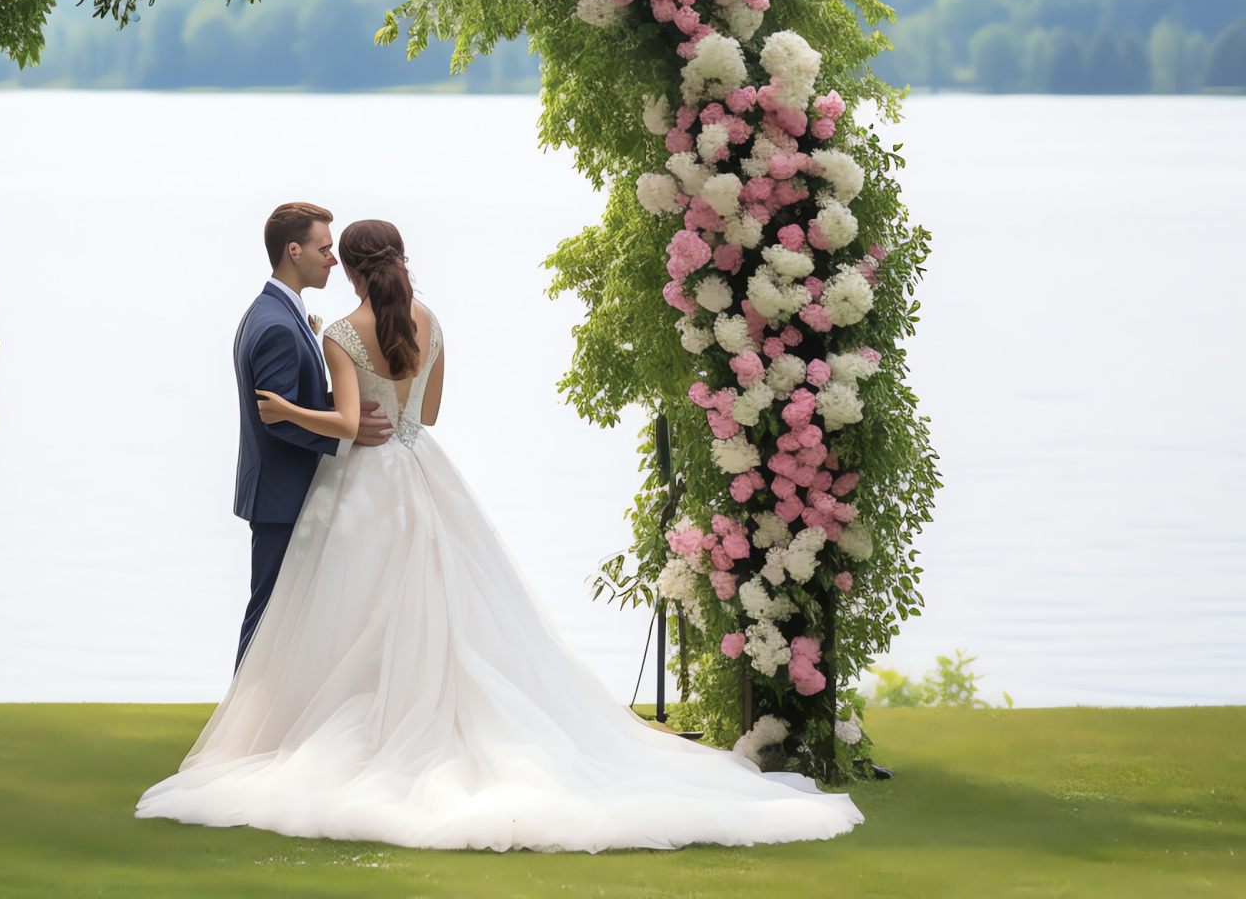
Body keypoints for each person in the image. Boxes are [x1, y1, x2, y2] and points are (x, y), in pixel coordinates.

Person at [139, 219, 863, 851]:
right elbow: (435, 413)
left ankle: (336, 727)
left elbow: (351, 421)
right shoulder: (432, 322)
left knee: (353, 605)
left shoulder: (338, 334)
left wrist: (294, 413)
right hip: (424, 470)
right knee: (442, 599)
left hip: (366, 481)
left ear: (355, 269)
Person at [229, 202, 392, 667]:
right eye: (324, 249)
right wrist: (348, 430)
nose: (333, 259)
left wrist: (336, 405)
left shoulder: (275, 311)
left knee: (283, 620)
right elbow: (277, 418)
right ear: (293, 250)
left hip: (281, 491)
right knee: (267, 621)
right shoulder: (277, 325)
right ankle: (237, 731)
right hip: (282, 495)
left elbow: (292, 401)